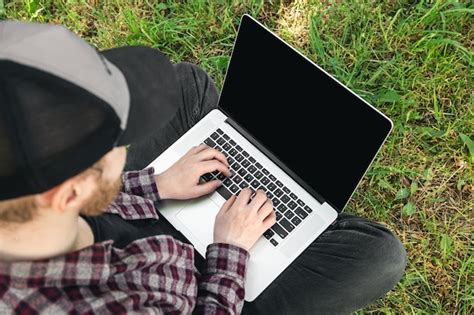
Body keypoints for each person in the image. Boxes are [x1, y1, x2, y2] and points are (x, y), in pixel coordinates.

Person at [0, 20, 407, 314]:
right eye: (116, 139)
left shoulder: (29, 212)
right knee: (378, 256)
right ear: (72, 192)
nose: (124, 141)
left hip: (135, 221)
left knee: (184, 85)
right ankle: (294, 224)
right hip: (207, 291)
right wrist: (230, 251)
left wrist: (155, 184)